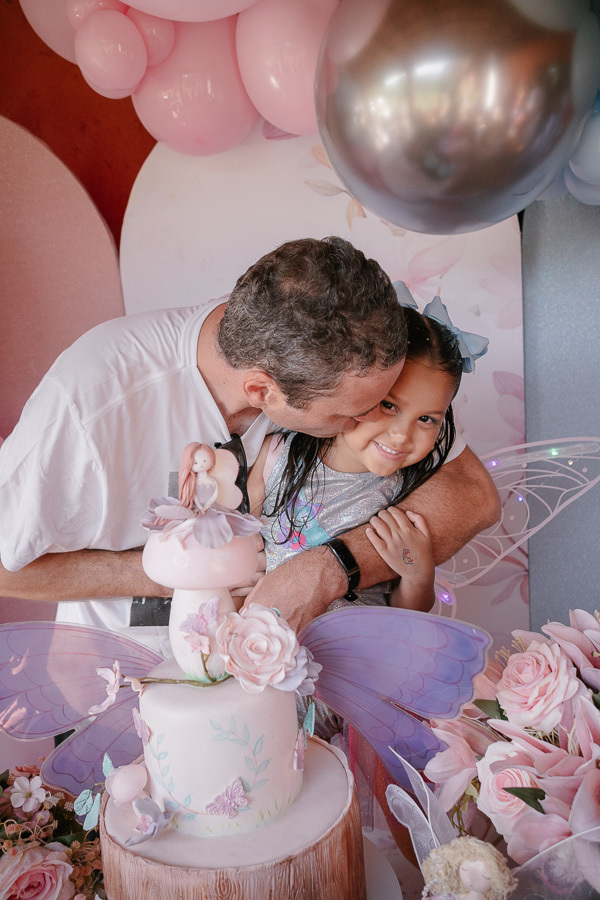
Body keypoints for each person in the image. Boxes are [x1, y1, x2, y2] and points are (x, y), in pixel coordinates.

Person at [0, 237, 499, 654]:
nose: (371, 422)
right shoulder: (91, 405)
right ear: (263, 392)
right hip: (122, 677)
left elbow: (472, 494)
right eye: (351, 413)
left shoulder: (324, 340)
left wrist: (330, 569)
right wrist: (168, 572)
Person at [248, 297, 483, 613]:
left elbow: (406, 613)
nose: (402, 435)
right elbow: (235, 536)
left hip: (355, 653)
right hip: (269, 644)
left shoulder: (411, 497)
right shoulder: (278, 457)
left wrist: (418, 575)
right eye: (389, 405)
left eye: (426, 419)